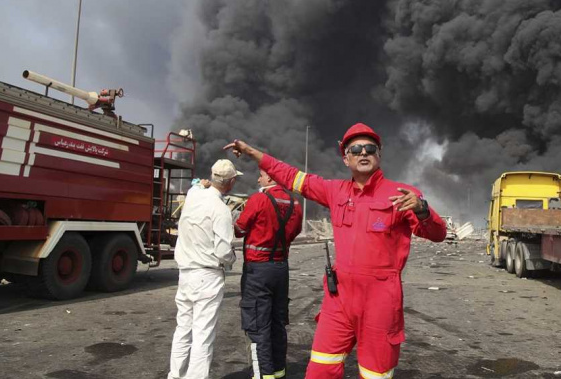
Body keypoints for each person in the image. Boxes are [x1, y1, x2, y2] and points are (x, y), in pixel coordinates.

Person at [224, 123, 447, 379]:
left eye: (369, 148)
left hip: (380, 302)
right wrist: (252, 153)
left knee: (374, 374)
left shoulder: (402, 195)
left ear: (379, 154)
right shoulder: (334, 191)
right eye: (356, 149)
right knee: (320, 369)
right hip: (339, 300)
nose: (363, 153)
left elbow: (438, 234)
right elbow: (290, 175)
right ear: (346, 158)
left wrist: (422, 209)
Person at [168, 159, 242, 379]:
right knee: (203, 334)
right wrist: (232, 258)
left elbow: (198, 185)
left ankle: (175, 375)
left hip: (185, 273)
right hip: (207, 276)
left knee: (183, 330)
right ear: (231, 182)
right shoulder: (221, 210)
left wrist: (202, 184)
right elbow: (222, 251)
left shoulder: (193, 195)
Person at [235, 169, 303, 379]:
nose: (258, 178)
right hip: (281, 268)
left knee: (257, 324)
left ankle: (263, 374)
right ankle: (278, 370)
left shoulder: (259, 199)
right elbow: (295, 231)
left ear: (271, 178)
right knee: (277, 321)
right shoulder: (296, 205)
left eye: (261, 175)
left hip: (258, 270)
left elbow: (239, 228)